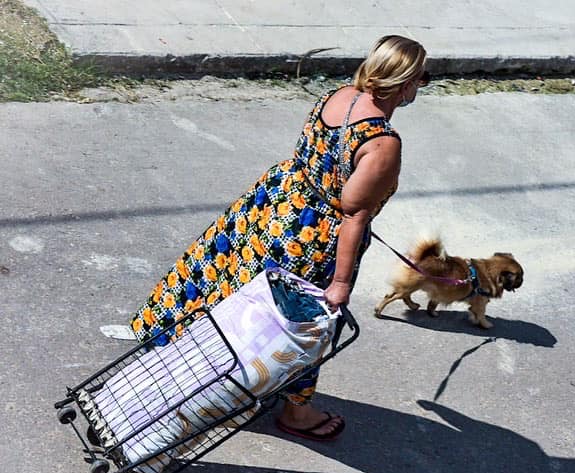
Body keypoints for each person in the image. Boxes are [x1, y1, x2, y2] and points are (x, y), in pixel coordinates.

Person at [129, 35, 429, 441]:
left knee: (225, 282)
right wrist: (340, 284)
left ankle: (171, 350)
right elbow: (352, 214)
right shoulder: (381, 143)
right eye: (421, 78)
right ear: (407, 84)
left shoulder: (338, 95)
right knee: (297, 326)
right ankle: (295, 413)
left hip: (273, 205)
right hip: (309, 237)